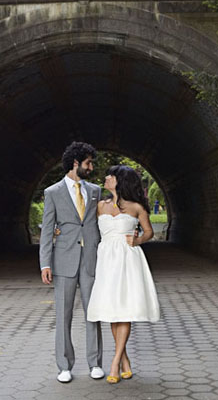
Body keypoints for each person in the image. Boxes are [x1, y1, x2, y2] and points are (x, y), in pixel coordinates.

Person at [86, 165, 160, 384]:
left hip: (128, 261)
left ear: (120, 181)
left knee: (124, 310)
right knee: (112, 310)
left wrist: (137, 240)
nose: (106, 178)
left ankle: (114, 362)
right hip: (106, 260)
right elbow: (85, 227)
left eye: (111, 176)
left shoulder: (136, 207)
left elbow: (149, 232)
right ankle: (125, 360)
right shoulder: (100, 206)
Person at [39, 141, 104, 383]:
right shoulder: (52, 192)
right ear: (75, 163)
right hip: (63, 261)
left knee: (93, 313)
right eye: (88, 162)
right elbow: (47, 230)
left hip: (90, 260)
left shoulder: (95, 191)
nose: (91, 166)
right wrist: (45, 264)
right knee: (63, 315)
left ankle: (95, 363)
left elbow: (99, 224)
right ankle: (64, 366)